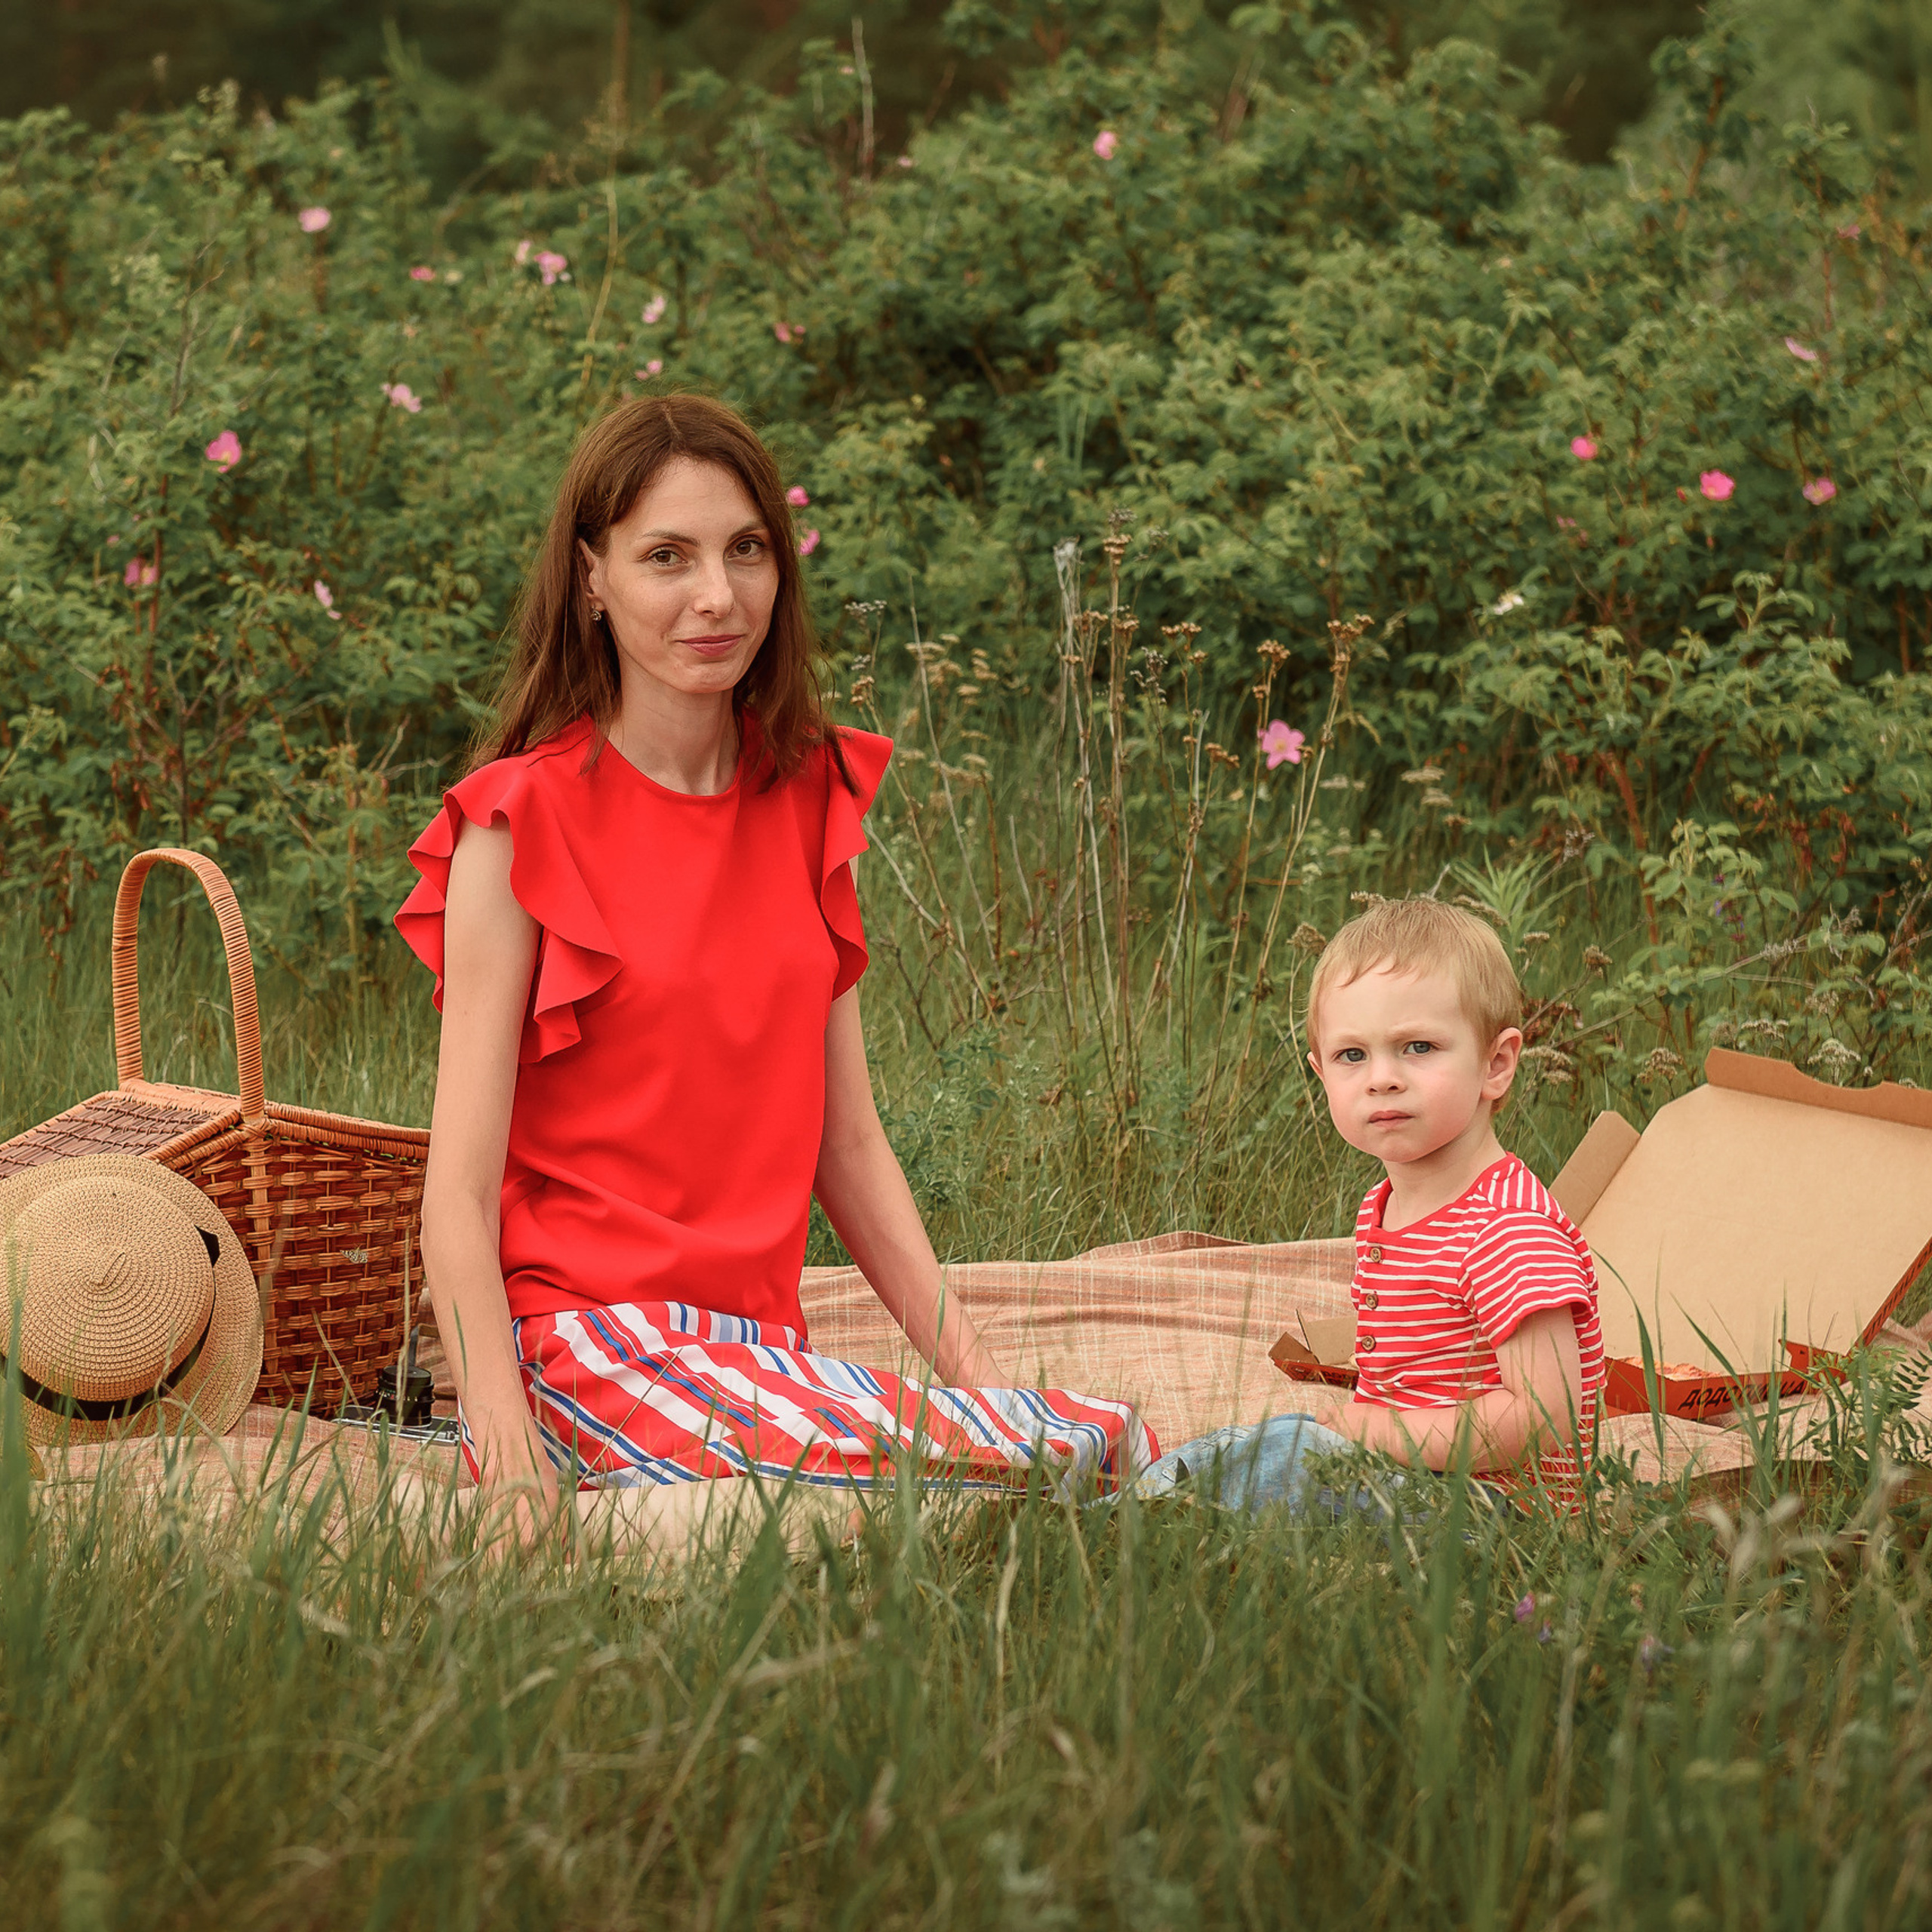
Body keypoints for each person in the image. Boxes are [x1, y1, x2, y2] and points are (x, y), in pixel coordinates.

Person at [397, 395, 1152, 1546]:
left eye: (746, 550)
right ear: (591, 576)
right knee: (1038, 1464)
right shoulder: (518, 825)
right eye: (667, 557)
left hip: (756, 1350)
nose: (718, 595)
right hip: (586, 1347)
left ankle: (1067, 1446)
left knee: (1031, 1444)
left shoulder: (807, 798)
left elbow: (846, 1145)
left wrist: (979, 1370)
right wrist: (501, 1450)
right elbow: (455, 1194)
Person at [1139, 897, 1604, 1514]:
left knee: (1289, 1450)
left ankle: (1146, 1521)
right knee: (1236, 1446)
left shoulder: (1507, 1229)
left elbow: (1547, 1416)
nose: (1382, 1077)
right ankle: (1113, 1507)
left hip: (1499, 1512)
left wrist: (1367, 1432)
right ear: (1321, 1074)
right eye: (1352, 1056)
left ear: (1496, 1064)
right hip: (1406, 1478)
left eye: (1417, 1047)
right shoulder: (1384, 1205)